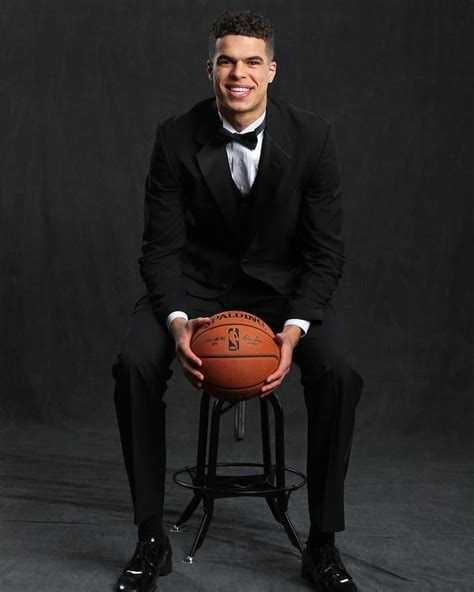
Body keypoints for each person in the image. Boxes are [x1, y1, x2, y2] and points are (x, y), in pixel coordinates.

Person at [113, 10, 363, 592]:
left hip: (281, 294)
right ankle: (150, 538)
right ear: (210, 69)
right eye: (226, 60)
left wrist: (295, 330)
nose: (238, 73)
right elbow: (159, 251)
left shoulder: (314, 137)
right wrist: (178, 323)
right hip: (196, 289)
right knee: (133, 364)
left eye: (252, 61)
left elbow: (325, 253)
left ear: (271, 70)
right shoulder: (175, 136)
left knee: (340, 373)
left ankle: (322, 545)